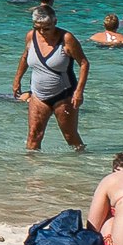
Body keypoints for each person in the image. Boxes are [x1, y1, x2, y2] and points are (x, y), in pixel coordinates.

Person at [15, 14, 87, 151]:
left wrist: (79, 92)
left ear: (55, 22)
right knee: (33, 135)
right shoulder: (31, 36)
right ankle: (30, 169)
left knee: (70, 136)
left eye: (46, 29)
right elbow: (25, 57)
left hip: (64, 95)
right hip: (38, 95)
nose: (42, 32)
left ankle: (81, 164)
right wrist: (17, 80)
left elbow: (84, 63)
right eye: (38, 28)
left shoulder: (67, 39)